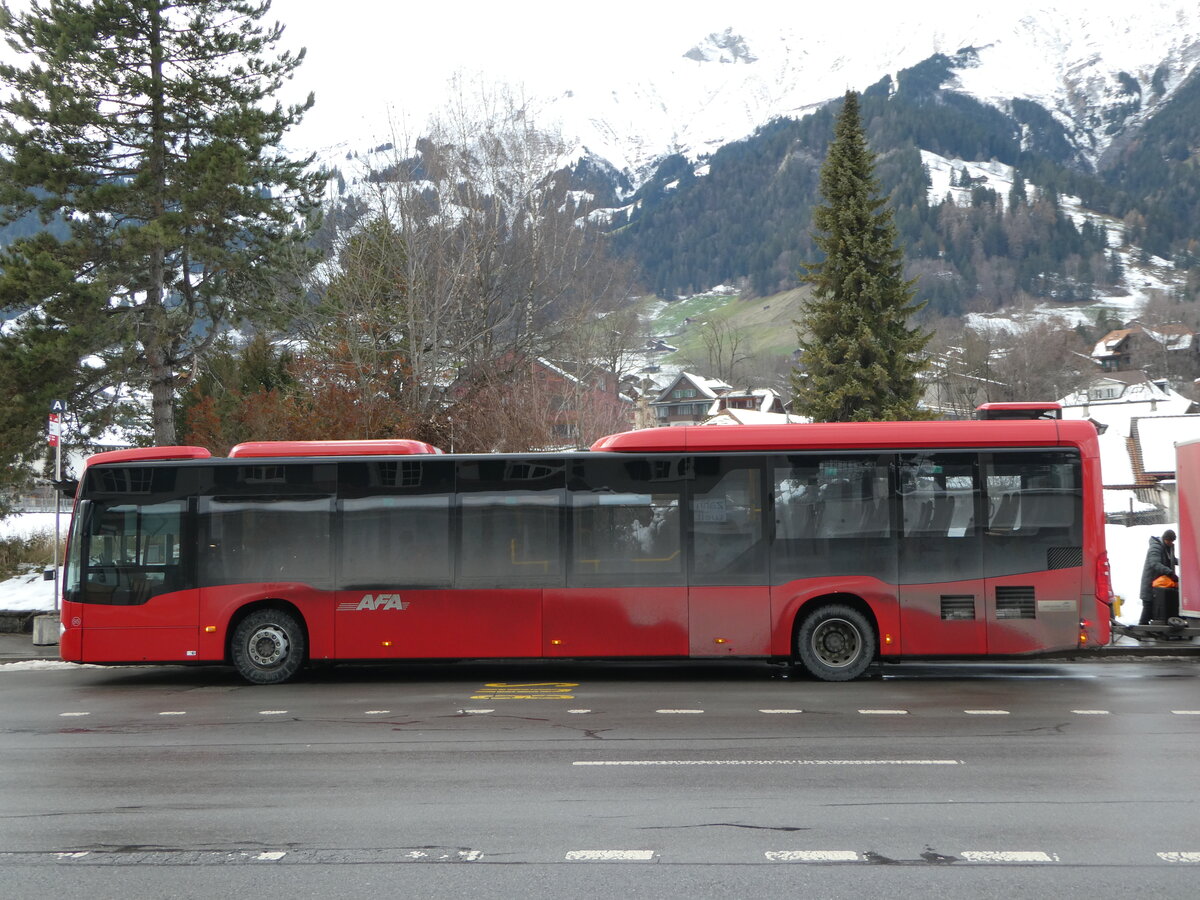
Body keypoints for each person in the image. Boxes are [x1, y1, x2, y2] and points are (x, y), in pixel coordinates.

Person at [1138, 529, 1177, 625]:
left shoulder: (1166, 548)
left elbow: (1172, 559)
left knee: (1154, 606)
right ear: (1164, 538)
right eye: (1169, 541)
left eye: (1172, 541)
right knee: (1148, 605)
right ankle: (1142, 628)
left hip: (1158, 583)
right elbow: (1154, 563)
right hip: (1150, 582)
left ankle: (1147, 628)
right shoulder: (1156, 547)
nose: (1170, 543)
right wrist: (1170, 573)